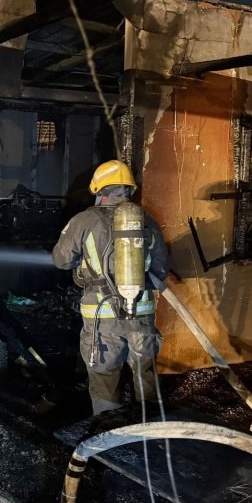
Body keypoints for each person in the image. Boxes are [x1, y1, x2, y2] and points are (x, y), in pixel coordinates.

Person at [52, 160, 169, 414]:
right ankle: (149, 426)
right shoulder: (147, 222)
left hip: (102, 317)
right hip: (141, 314)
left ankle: (109, 427)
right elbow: (161, 271)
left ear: (99, 190)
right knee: (145, 373)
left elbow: (61, 260)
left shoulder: (84, 221)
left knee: (105, 376)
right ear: (129, 190)